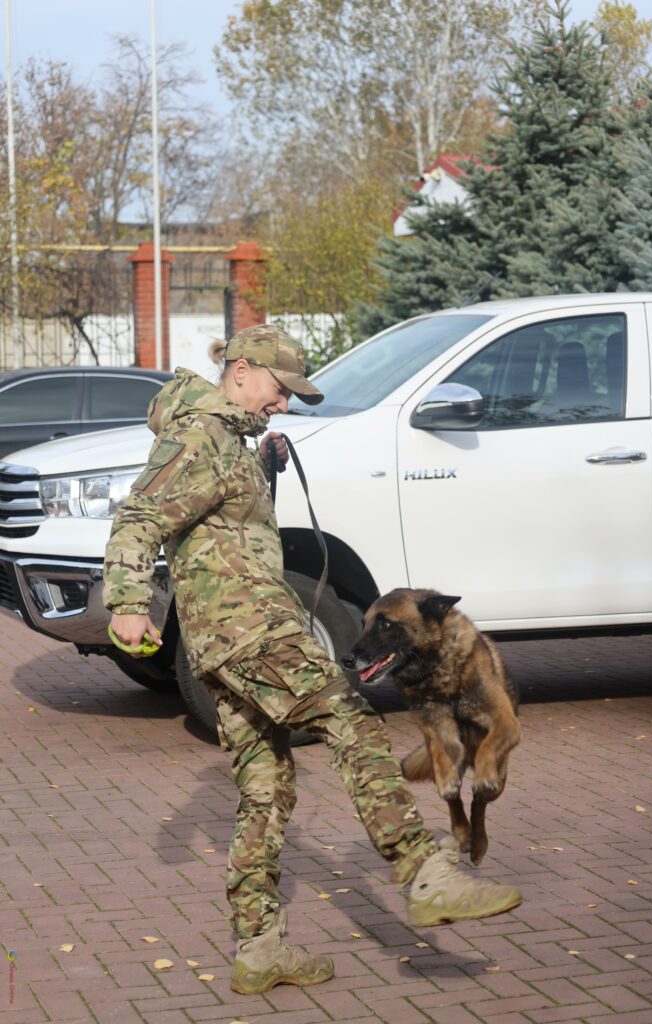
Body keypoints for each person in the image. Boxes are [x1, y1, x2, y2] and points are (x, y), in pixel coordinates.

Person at [103, 324, 522, 996]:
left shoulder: (223, 440)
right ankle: (423, 870)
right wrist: (126, 601)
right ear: (241, 371)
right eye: (279, 388)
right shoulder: (199, 438)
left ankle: (259, 948)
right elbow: (139, 517)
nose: (284, 403)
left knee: (265, 790)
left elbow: (218, 524)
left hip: (225, 640)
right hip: (249, 630)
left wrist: (262, 466)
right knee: (352, 719)